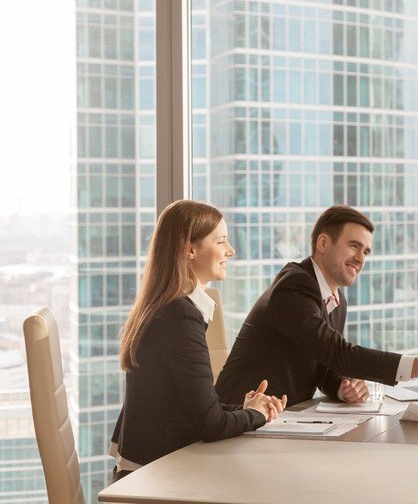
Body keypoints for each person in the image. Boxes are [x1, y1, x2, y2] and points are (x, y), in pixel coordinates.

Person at [215, 205, 418, 407]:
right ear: (323, 243)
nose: (360, 258)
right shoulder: (294, 286)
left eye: (365, 251)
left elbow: (324, 364)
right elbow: (339, 353)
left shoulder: (335, 300)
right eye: (354, 246)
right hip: (241, 416)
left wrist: (343, 385)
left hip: (281, 419)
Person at [110, 200, 286, 481]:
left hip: (150, 473)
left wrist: (246, 409)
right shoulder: (179, 316)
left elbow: (186, 407)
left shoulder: (167, 307)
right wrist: (257, 415)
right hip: (153, 482)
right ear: (189, 250)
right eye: (221, 241)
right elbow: (211, 425)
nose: (231, 251)